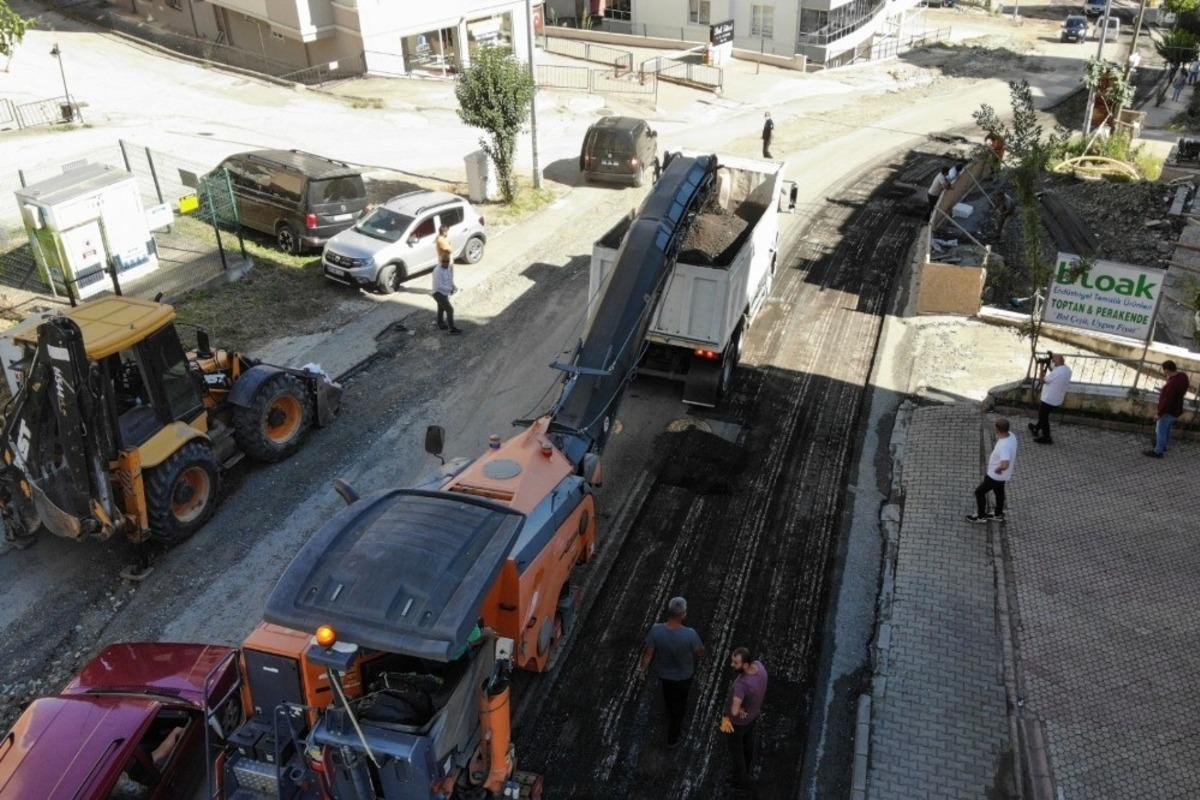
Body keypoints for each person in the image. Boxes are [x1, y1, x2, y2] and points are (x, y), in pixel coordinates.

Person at [638, 596, 705, 748]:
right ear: (682, 615)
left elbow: (648, 653)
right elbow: (700, 652)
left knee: (668, 694)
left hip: (665, 675)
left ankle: (668, 708)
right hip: (684, 676)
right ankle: (672, 739)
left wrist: (642, 670)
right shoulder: (690, 634)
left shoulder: (656, 630)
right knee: (680, 706)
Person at [719, 647, 768, 793]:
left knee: (736, 751)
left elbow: (734, 711)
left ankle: (740, 780)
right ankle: (747, 766)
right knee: (748, 741)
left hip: (735, 722)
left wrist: (739, 709)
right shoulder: (759, 666)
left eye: (736, 663)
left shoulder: (741, 685)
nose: (732, 665)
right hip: (752, 716)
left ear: (745, 665)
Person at [968, 417, 1016, 524]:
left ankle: (980, 516)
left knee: (979, 492)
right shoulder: (1011, 436)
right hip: (1004, 476)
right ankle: (998, 514)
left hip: (996, 475)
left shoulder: (1004, 446)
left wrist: (999, 469)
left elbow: (1005, 464)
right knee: (999, 492)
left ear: (998, 430)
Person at [1145, 360, 1190, 458]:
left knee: (1160, 431)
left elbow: (1166, 401)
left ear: (1167, 370)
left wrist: (1159, 413)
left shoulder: (1171, 385)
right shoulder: (1183, 377)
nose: (1164, 372)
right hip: (1177, 409)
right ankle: (1163, 445)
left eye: (1164, 370)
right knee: (1168, 429)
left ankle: (1158, 451)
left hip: (1168, 411)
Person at [1028, 353, 1072, 444]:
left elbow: (1041, 380)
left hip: (1048, 399)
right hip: (1057, 399)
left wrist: (1041, 366)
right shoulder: (1067, 370)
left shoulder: (1057, 372)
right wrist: (1049, 364)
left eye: (1053, 359)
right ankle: (1036, 428)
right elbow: (1054, 371)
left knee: (1043, 417)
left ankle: (1047, 437)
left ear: (1059, 361)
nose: (1052, 361)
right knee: (1044, 415)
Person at [432, 248, 461, 335]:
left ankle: (440, 324)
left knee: (441, 308)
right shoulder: (437, 271)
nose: (446, 263)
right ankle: (451, 329)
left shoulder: (448, 267)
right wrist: (450, 289)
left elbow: (449, 279)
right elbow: (439, 286)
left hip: (444, 293)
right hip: (438, 293)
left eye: (447, 261)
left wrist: (454, 286)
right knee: (450, 310)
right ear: (441, 261)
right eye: (444, 261)